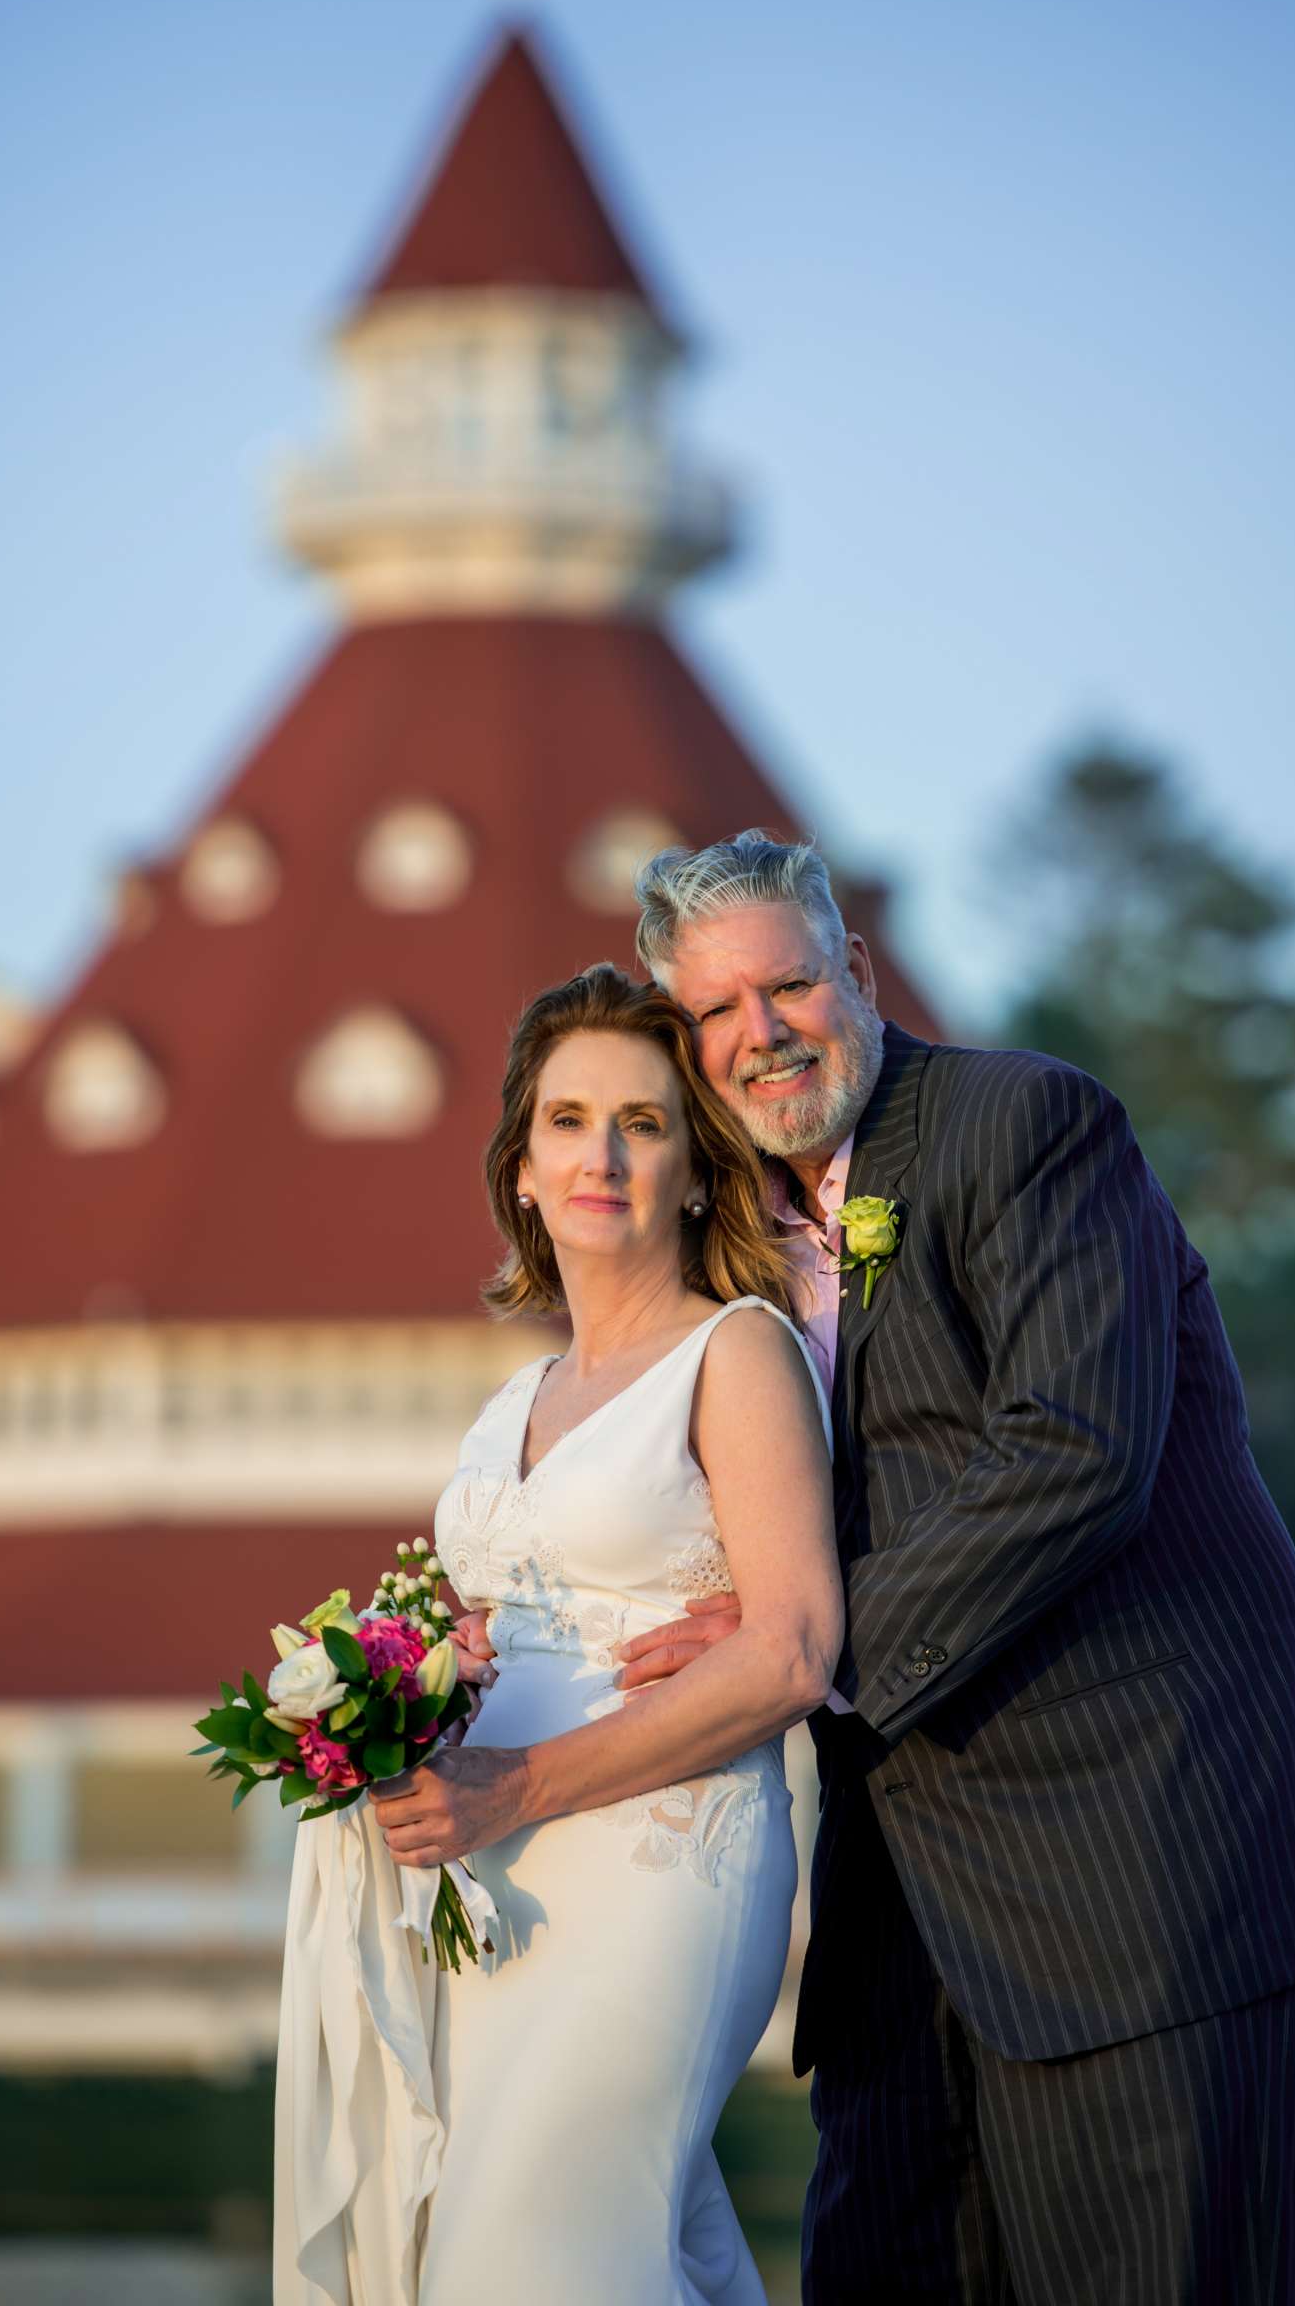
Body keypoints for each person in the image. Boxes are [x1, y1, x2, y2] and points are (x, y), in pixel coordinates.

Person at [575, 830, 1295, 2306]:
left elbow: (1075, 1451)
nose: (761, 1036)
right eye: (713, 1014)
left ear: (858, 974)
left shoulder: (1028, 1127)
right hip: (901, 1950)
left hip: (1148, 1899)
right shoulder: (734, 1252)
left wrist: (797, 1643)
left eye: (791, 987)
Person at [369, 961, 841, 2304]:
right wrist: (395, 1712)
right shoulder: (513, 1395)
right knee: (649, 2251)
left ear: (699, 1172)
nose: (603, 1154)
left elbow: (794, 1648)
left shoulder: (735, 1353)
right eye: (568, 1121)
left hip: (654, 1866)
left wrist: (513, 1782)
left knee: (530, 2259)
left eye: (643, 1122)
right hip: (494, 1884)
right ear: (521, 1169)